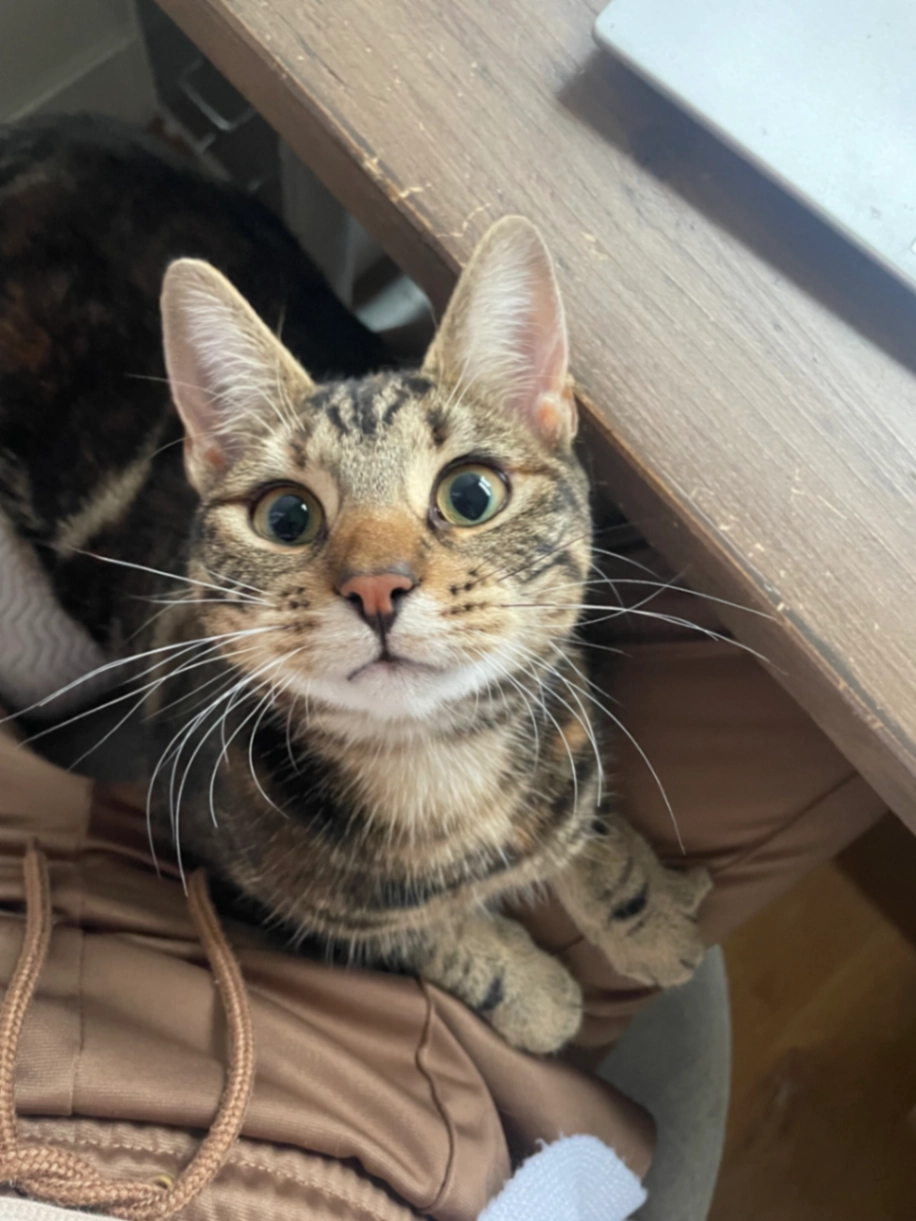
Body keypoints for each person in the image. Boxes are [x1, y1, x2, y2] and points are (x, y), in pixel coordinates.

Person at [0, 536, 885, 1219]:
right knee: (858, 599)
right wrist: (457, 948)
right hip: (395, 1085)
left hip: (79, 917)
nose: (378, 583)